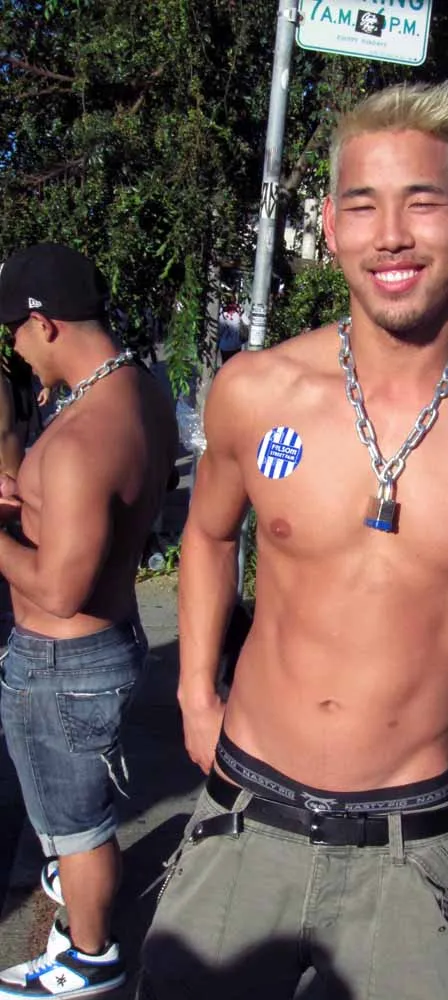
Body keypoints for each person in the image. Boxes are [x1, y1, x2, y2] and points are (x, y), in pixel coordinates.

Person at [139, 82, 448, 1000]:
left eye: (420, 202)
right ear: (332, 225)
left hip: (411, 846)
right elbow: (208, 534)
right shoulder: (256, 390)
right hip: (244, 812)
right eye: (362, 205)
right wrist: (193, 692)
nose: (390, 235)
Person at [0, 243, 178, 998]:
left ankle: (89, 956)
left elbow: (59, 586)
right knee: (81, 816)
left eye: (14, 331)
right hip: (107, 643)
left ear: (43, 323)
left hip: (61, 661)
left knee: (77, 828)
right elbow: (98, 513)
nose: (14, 349)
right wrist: (29, 501)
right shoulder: (143, 393)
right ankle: (82, 883)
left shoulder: (79, 438)